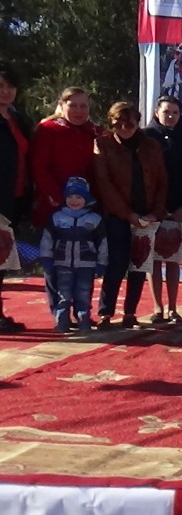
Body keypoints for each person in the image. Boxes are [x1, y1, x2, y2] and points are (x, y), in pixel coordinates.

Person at [92, 102, 168, 330]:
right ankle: (105, 313)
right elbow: (104, 184)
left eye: (130, 124)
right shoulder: (103, 144)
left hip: (146, 214)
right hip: (118, 213)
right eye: (118, 125)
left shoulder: (151, 145)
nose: (124, 129)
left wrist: (156, 212)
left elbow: (162, 181)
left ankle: (130, 313)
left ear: (138, 123)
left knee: (139, 264)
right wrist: (127, 214)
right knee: (117, 262)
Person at [29, 86, 102, 316]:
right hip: (55, 206)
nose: (79, 111)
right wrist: (59, 199)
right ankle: (60, 312)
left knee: (84, 262)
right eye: (74, 106)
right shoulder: (48, 130)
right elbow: (39, 168)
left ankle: (82, 311)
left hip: (86, 209)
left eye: (84, 106)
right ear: (62, 106)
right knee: (56, 262)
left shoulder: (94, 132)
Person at [144, 96, 182, 324]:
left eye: (175, 112)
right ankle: (157, 308)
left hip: (179, 210)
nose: (170, 116)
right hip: (151, 209)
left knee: (173, 260)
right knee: (153, 260)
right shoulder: (146, 138)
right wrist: (153, 207)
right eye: (166, 112)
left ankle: (173, 308)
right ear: (156, 112)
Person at [39, 177, 107, 332]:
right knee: (64, 294)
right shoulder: (57, 218)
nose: (73, 200)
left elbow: (103, 243)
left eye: (78, 197)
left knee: (83, 294)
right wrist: (46, 258)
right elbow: (47, 239)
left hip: (86, 264)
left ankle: (84, 320)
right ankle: (62, 321)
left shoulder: (95, 219)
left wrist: (101, 263)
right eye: (69, 196)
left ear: (87, 199)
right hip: (62, 264)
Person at [0, 63, 32, 333]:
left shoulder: (18, 119)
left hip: (15, 198)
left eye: (11, 86)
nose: (7, 91)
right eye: (1, 86)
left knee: (2, 259)